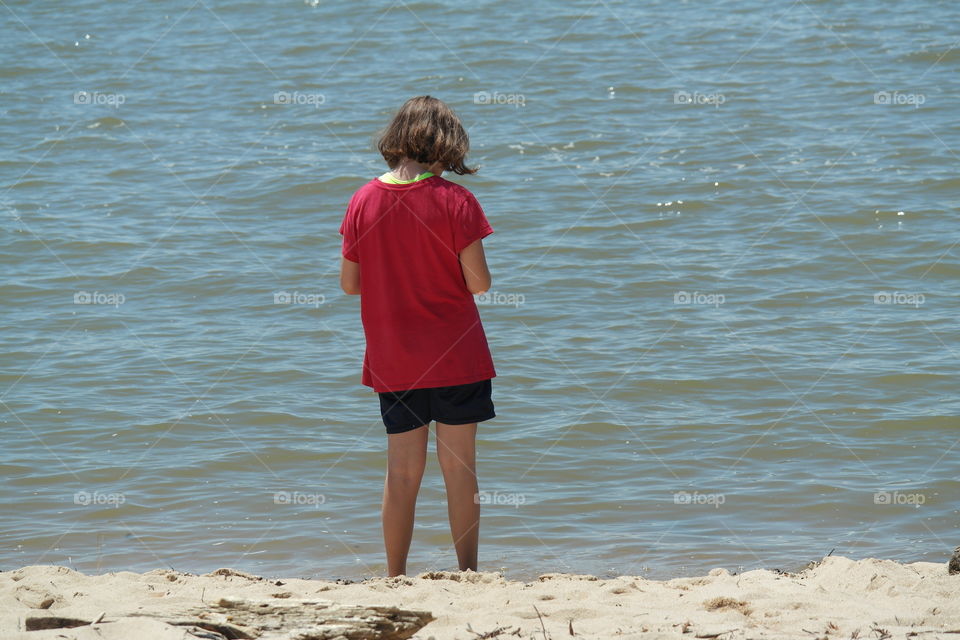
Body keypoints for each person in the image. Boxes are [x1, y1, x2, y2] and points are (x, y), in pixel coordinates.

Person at [338, 96, 496, 577]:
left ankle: (394, 576)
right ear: (446, 144)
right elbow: (479, 283)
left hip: (395, 359)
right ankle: (468, 572)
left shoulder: (363, 199)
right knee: (459, 470)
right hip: (457, 357)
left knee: (402, 473)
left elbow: (349, 284)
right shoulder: (456, 201)